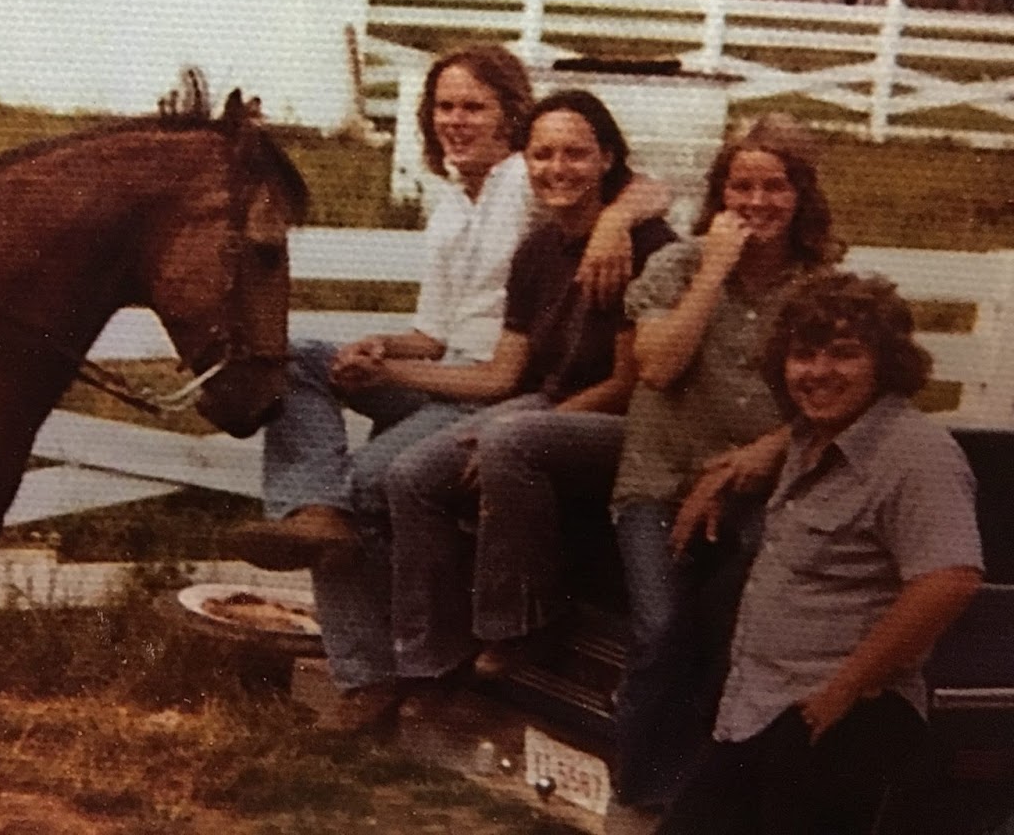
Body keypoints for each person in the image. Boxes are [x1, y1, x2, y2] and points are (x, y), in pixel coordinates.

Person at [229, 46, 667, 578]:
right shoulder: (451, 207)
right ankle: (316, 509)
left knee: (368, 481)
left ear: (510, 115)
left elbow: (652, 187)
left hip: (492, 388)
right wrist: (381, 348)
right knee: (294, 359)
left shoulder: (524, 179)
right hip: (442, 375)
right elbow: (432, 337)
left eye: (473, 108)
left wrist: (615, 222)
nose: (455, 122)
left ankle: (371, 640)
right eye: (444, 107)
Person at [373, 90, 675, 713]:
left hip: (632, 421)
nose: (557, 169)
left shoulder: (641, 245)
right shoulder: (537, 251)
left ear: (608, 160)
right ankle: (429, 664)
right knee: (411, 475)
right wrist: (388, 367)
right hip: (547, 404)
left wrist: (521, 431)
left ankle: (524, 624)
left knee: (509, 439)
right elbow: (502, 372)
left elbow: (628, 386)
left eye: (576, 154)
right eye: (542, 155)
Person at [657, 271, 983, 835]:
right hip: (759, 710)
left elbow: (950, 579)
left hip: (838, 716)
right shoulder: (809, 438)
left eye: (844, 354)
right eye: (803, 355)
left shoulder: (917, 454)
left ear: (885, 363)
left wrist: (845, 688)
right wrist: (729, 474)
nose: (819, 372)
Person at [609, 115, 842, 811]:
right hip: (657, 484)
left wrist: (756, 456)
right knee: (659, 626)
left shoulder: (818, 285)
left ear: (801, 197)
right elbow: (656, 365)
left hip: (757, 489)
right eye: (741, 186)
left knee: (744, 619)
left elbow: (836, 398)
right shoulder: (677, 266)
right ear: (719, 197)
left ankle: (699, 789)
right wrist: (712, 268)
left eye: (776, 186)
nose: (757, 202)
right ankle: (632, 792)